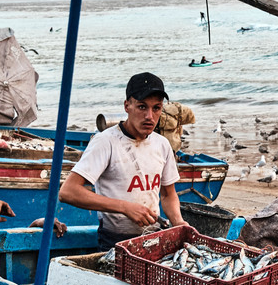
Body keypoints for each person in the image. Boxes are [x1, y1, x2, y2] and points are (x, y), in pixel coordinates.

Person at [59, 72, 185, 251]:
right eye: (142, 107)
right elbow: (68, 192)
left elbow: (167, 194)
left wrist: (178, 222)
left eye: (156, 108)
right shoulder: (106, 141)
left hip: (153, 237)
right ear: (127, 106)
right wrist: (125, 207)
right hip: (114, 241)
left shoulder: (162, 144)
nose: (149, 116)